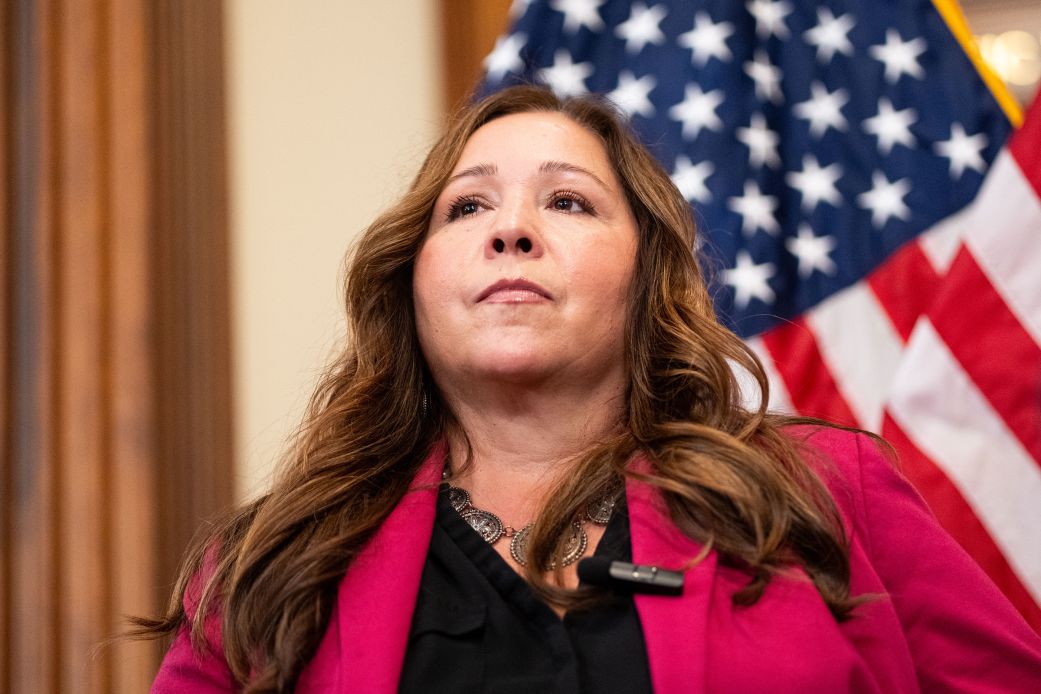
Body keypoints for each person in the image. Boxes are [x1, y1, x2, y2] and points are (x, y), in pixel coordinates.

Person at [138, 85, 1041, 692]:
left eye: (567, 202)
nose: (512, 231)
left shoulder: (829, 491)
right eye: (467, 207)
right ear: (407, 280)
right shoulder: (270, 566)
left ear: (647, 276)